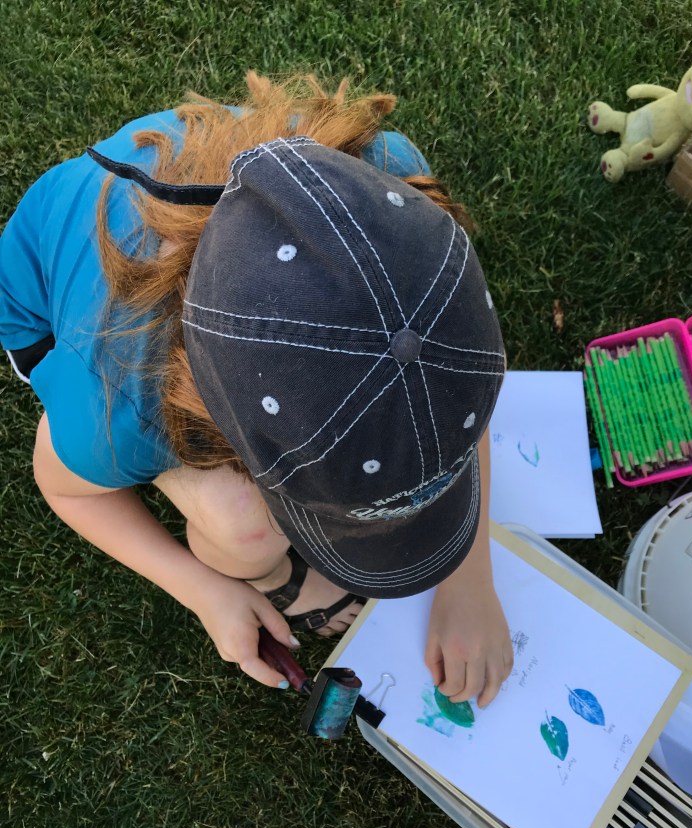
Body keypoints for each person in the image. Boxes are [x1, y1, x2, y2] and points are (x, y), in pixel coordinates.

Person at [0, 72, 512, 707]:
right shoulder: (119, 396)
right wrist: (205, 589)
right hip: (56, 308)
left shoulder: (389, 179)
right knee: (243, 529)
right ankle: (268, 564)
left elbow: (443, 385)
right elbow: (64, 486)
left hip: (200, 190)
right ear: (222, 425)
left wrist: (469, 580)